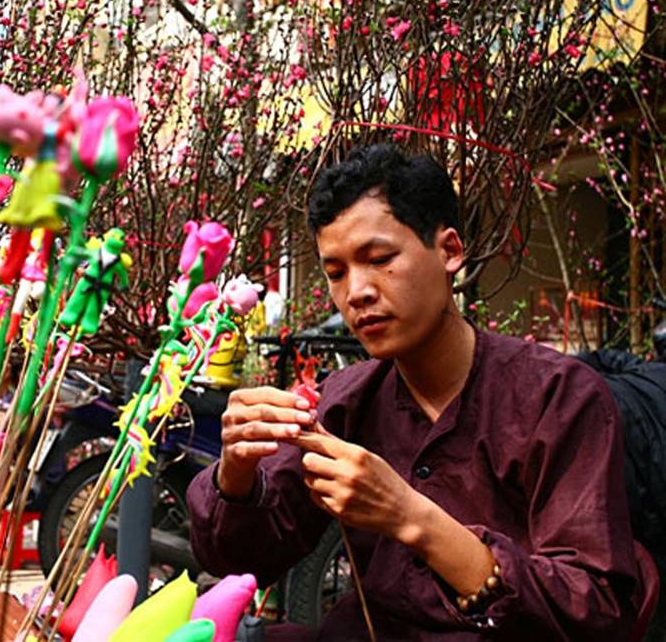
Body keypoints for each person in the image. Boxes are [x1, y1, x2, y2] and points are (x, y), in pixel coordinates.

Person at [187, 144, 639, 640]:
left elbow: (595, 611)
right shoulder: (344, 401)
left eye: (379, 259)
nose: (356, 292)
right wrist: (237, 472)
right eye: (336, 272)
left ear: (449, 251)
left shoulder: (556, 398)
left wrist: (411, 516)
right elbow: (243, 560)